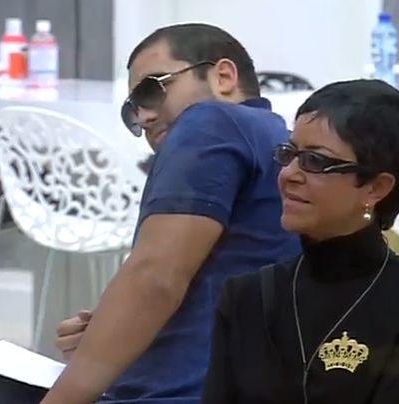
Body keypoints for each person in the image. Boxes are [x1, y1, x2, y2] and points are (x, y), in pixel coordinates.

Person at [40, 23, 301, 404]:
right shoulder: (274, 140)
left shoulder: (212, 121)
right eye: (132, 110)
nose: (144, 116)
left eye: (152, 90)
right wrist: (109, 332)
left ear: (223, 77)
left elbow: (155, 280)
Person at [201, 79, 399, 404]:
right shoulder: (246, 298)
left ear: (376, 188)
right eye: (288, 154)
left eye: (316, 161)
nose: (288, 175)